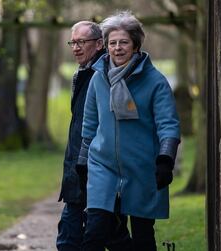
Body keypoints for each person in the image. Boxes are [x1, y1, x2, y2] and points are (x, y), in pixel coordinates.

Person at [78, 12, 181, 251]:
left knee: (143, 238)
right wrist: (83, 162)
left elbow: (169, 123)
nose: (117, 48)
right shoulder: (97, 79)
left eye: (123, 42)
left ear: (135, 45)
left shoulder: (155, 81)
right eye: (112, 43)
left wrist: (166, 159)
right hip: (103, 166)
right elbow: (90, 124)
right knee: (94, 233)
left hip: (143, 168)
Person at [56, 20, 132, 251]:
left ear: (99, 44)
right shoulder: (83, 74)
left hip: (99, 172)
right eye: (73, 42)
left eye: (82, 42)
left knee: (107, 237)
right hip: (77, 171)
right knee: (73, 238)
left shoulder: (107, 76)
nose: (76, 48)